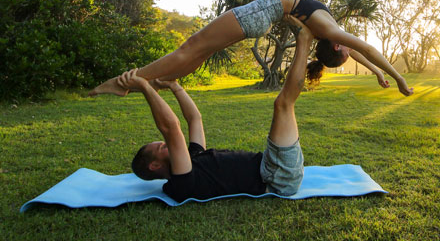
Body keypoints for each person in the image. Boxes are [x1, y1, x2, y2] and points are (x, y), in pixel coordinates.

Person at [119, 16, 314, 201]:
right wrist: (144, 87)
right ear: (155, 165)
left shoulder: (193, 157)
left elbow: (194, 118)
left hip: (271, 167)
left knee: (283, 105)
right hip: (277, 178)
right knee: (283, 104)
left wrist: (174, 86)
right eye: (161, 147)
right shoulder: (182, 183)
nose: (166, 143)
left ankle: (304, 40)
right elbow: (171, 129)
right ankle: (304, 41)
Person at [89, 0, 413, 97]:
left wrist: (396, 76)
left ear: (337, 48)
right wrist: (377, 75)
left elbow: (366, 49)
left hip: (261, 12)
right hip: (262, 18)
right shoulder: (329, 33)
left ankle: (124, 82)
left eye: (346, 50)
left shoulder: (329, 29)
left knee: (191, 46)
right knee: (199, 54)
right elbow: (360, 53)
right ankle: (159, 81)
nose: (349, 47)